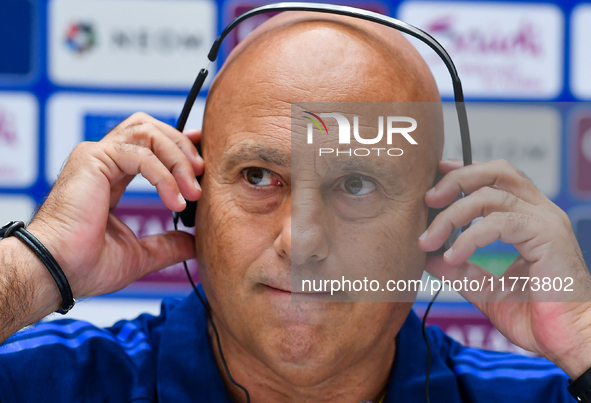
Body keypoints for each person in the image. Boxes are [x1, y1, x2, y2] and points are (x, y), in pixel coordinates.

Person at [0, 11, 589, 403]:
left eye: (357, 184)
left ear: (433, 218)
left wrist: (585, 339)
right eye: (259, 176)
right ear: (192, 196)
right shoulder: (46, 384)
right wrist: (38, 265)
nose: (301, 241)